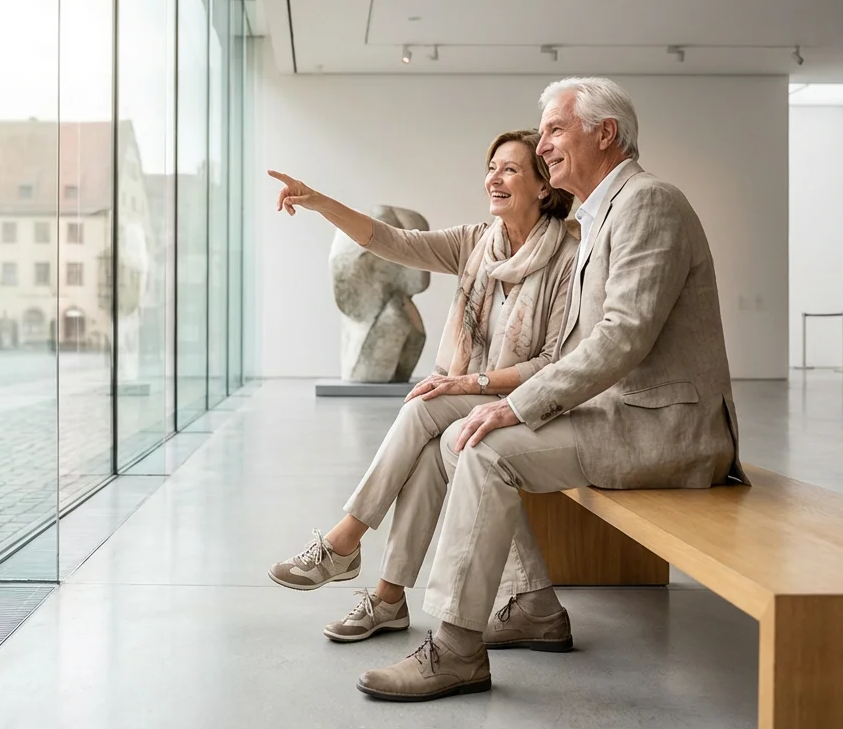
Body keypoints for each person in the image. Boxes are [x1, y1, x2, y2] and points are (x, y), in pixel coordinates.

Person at [356, 77, 744, 702]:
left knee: (482, 449)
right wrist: (495, 396)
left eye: (556, 129)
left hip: (664, 430)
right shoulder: (597, 218)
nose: (545, 144)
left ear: (606, 133)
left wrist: (513, 404)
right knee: (461, 432)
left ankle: (456, 650)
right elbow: (578, 346)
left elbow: (622, 339)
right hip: (616, 413)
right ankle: (530, 605)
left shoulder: (649, 203)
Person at [266, 129, 579, 646]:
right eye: (491, 166)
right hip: (476, 395)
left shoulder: (569, 255)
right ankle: (387, 596)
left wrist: (470, 380)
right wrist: (320, 202)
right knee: (432, 445)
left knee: (421, 410)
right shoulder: (477, 242)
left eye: (510, 169)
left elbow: (555, 362)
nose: (493, 179)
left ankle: (345, 545)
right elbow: (392, 241)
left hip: (532, 400)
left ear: (544, 187)